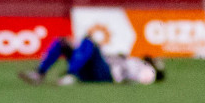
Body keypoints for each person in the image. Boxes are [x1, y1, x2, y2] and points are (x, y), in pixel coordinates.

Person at [19, 36, 163, 86]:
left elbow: (144, 78)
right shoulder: (134, 59)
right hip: (97, 69)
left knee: (90, 43)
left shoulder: (147, 69)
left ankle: (71, 74)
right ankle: (39, 73)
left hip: (107, 74)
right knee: (62, 42)